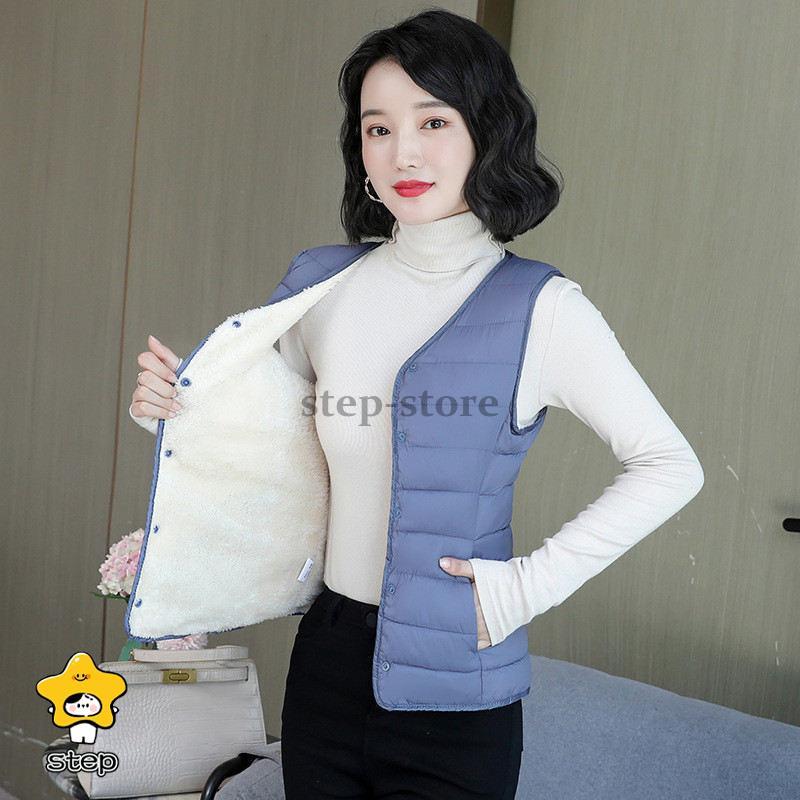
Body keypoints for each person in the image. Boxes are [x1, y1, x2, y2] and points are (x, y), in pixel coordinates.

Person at [129, 8, 704, 798]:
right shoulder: (324, 286)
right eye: (378, 128)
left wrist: (521, 590)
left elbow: (669, 465)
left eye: (433, 121)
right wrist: (171, 406)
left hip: (458, 690)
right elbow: (253, 426)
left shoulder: (543, 308)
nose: (403, 152)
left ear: (486, 131)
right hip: (328, 663)